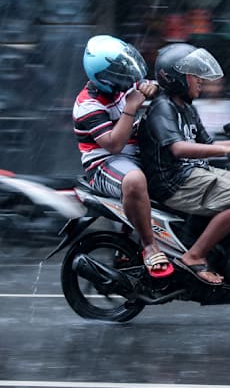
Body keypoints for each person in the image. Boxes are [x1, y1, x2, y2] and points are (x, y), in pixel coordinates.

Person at [139, 43, 230, 285]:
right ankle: (195, 255)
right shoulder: (163, 107)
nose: (202, 80)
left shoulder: (187, 108)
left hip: (191, 174)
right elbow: (179, 149)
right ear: (175, 78)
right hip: (173, 183)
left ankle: (224, 246)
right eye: (194, 75)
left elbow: (207, 143)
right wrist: (227, 149)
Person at [73, 35, 173, 278]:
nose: (129, 75)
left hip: (136, 155)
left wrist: (153, 88)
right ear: (106, 78)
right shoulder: (88, 105)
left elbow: (146, 86)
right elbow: (114, 145)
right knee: (135, 181)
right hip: (103, 164)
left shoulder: (123, 82)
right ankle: (150, 246)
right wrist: (131, 107)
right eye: (121, 71)